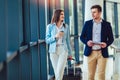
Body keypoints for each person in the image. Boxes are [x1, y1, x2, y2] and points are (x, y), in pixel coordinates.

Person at [80, 5, 114, 80]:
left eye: (94, 12)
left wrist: (106, 44)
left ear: (100, 12)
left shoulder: (107, 24)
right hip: (90, 52)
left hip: (102, 52)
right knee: (91, 75)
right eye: (92, 12)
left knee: (101, 75)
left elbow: (111, 39)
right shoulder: (87, 23)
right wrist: (87, 42)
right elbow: (82, 37)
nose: (92, 14)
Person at [45, 9, 72, 80]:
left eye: (63, 14)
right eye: (61, 14)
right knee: (57, 72)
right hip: (53, 51)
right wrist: (55, 36)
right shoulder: (50, 26)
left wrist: (70, 53)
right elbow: (47, 40)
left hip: (63, 50)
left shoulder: (66, 26)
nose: (63, 16)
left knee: (59, 71)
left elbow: (68, 40)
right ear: (57, 15)